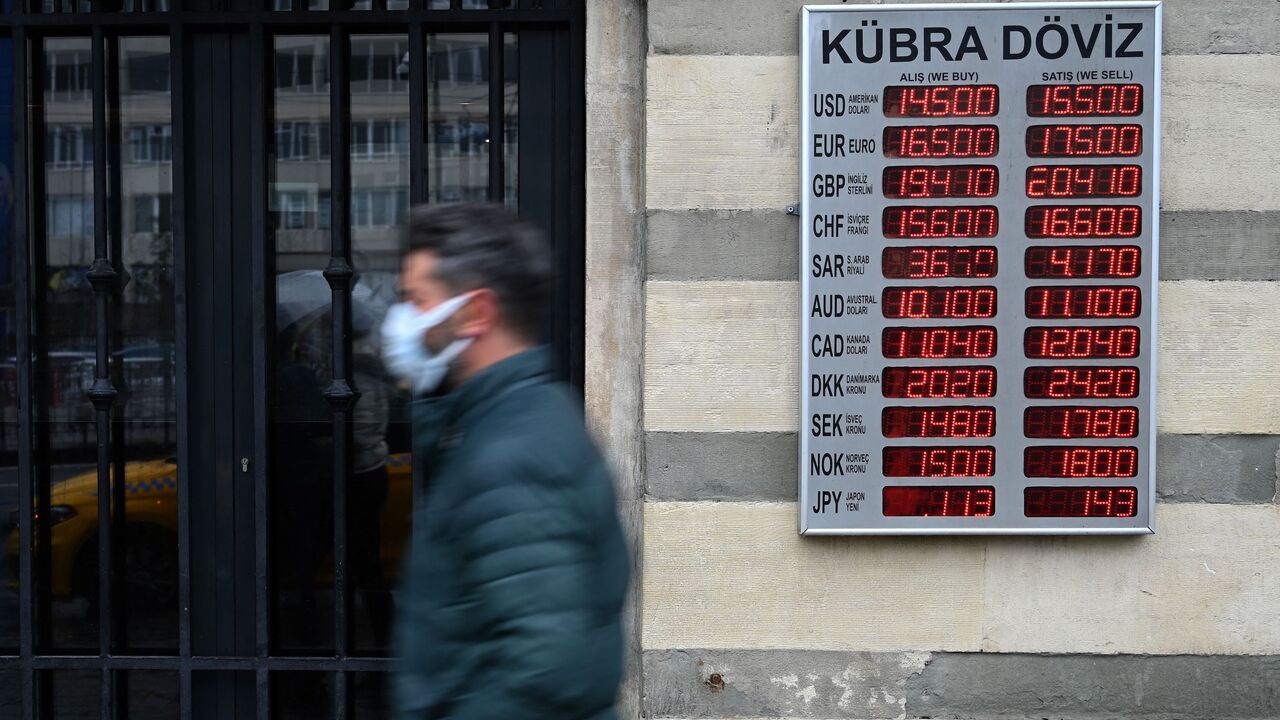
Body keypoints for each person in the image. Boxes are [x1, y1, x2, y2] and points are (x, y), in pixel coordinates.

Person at [382, 203, 630, 720]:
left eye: (416, 300)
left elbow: (545, 671)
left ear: (476, 314)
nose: (400, 320)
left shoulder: (514, 457)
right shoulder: (507, 425)